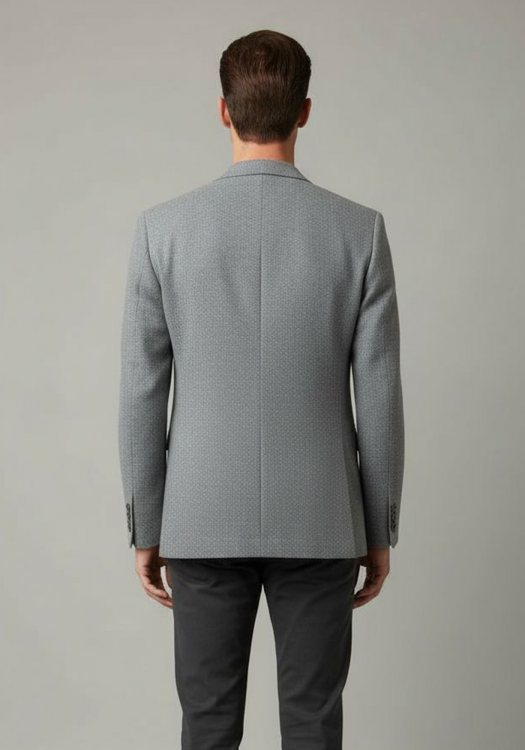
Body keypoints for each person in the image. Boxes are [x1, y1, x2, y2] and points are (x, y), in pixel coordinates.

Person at [118, 28, 404, 750]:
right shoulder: (360, 232)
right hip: (322, 517)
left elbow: (142, 392)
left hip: (200, 516)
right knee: (313, 723)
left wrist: (147, 527)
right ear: (304, 111)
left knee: (208, 724)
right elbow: (378, 397)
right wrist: (377, 530)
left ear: (223, 110)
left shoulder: (161, 231)